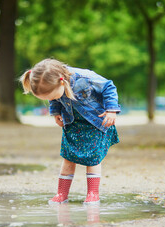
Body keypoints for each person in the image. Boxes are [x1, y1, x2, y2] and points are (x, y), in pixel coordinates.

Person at [19, 58, 120, 205]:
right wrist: (55, 112)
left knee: (93, 158)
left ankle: (93, 194)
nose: (52, 99)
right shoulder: (52, 83)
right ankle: (62, 194)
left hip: (95, 122)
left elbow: (109, 87)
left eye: (53, 96)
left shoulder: (85, 78)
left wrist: (111, 110)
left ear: (62, 83)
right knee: (68, 156)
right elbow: (55, 100)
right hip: (72, 123)